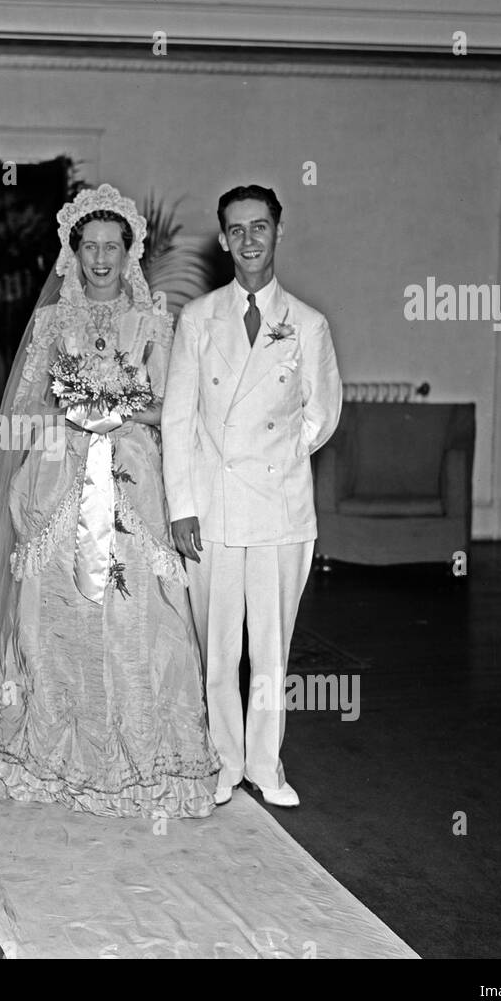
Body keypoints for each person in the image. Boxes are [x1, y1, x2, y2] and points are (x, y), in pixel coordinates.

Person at [0, 184, 219, 818]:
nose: (102, 258)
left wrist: (119, 409)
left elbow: (175, 406)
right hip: (61, 472)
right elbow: (27, 408)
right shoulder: (54, 322)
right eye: (90, 247)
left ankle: (147, 755)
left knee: (143, 612)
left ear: (130, 252)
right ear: (73, 252)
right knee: (54, 609)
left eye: (113, 246)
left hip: (135, 473)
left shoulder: (155, 319)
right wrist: (76, 410)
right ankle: (56, 751)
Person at [162, 185, 342, 809]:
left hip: (279, 509)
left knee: (272, 649)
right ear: (222, 239)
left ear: (278, 232)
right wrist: (182, 504)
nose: (248, 240)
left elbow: (323, 414)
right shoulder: (198, 318)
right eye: (236, 230)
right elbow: (178, 420)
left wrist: (284, 455)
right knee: (217, 649)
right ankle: (221, 762)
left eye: (259, 227)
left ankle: (266, 765)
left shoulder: (308, 326)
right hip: (211, 510)